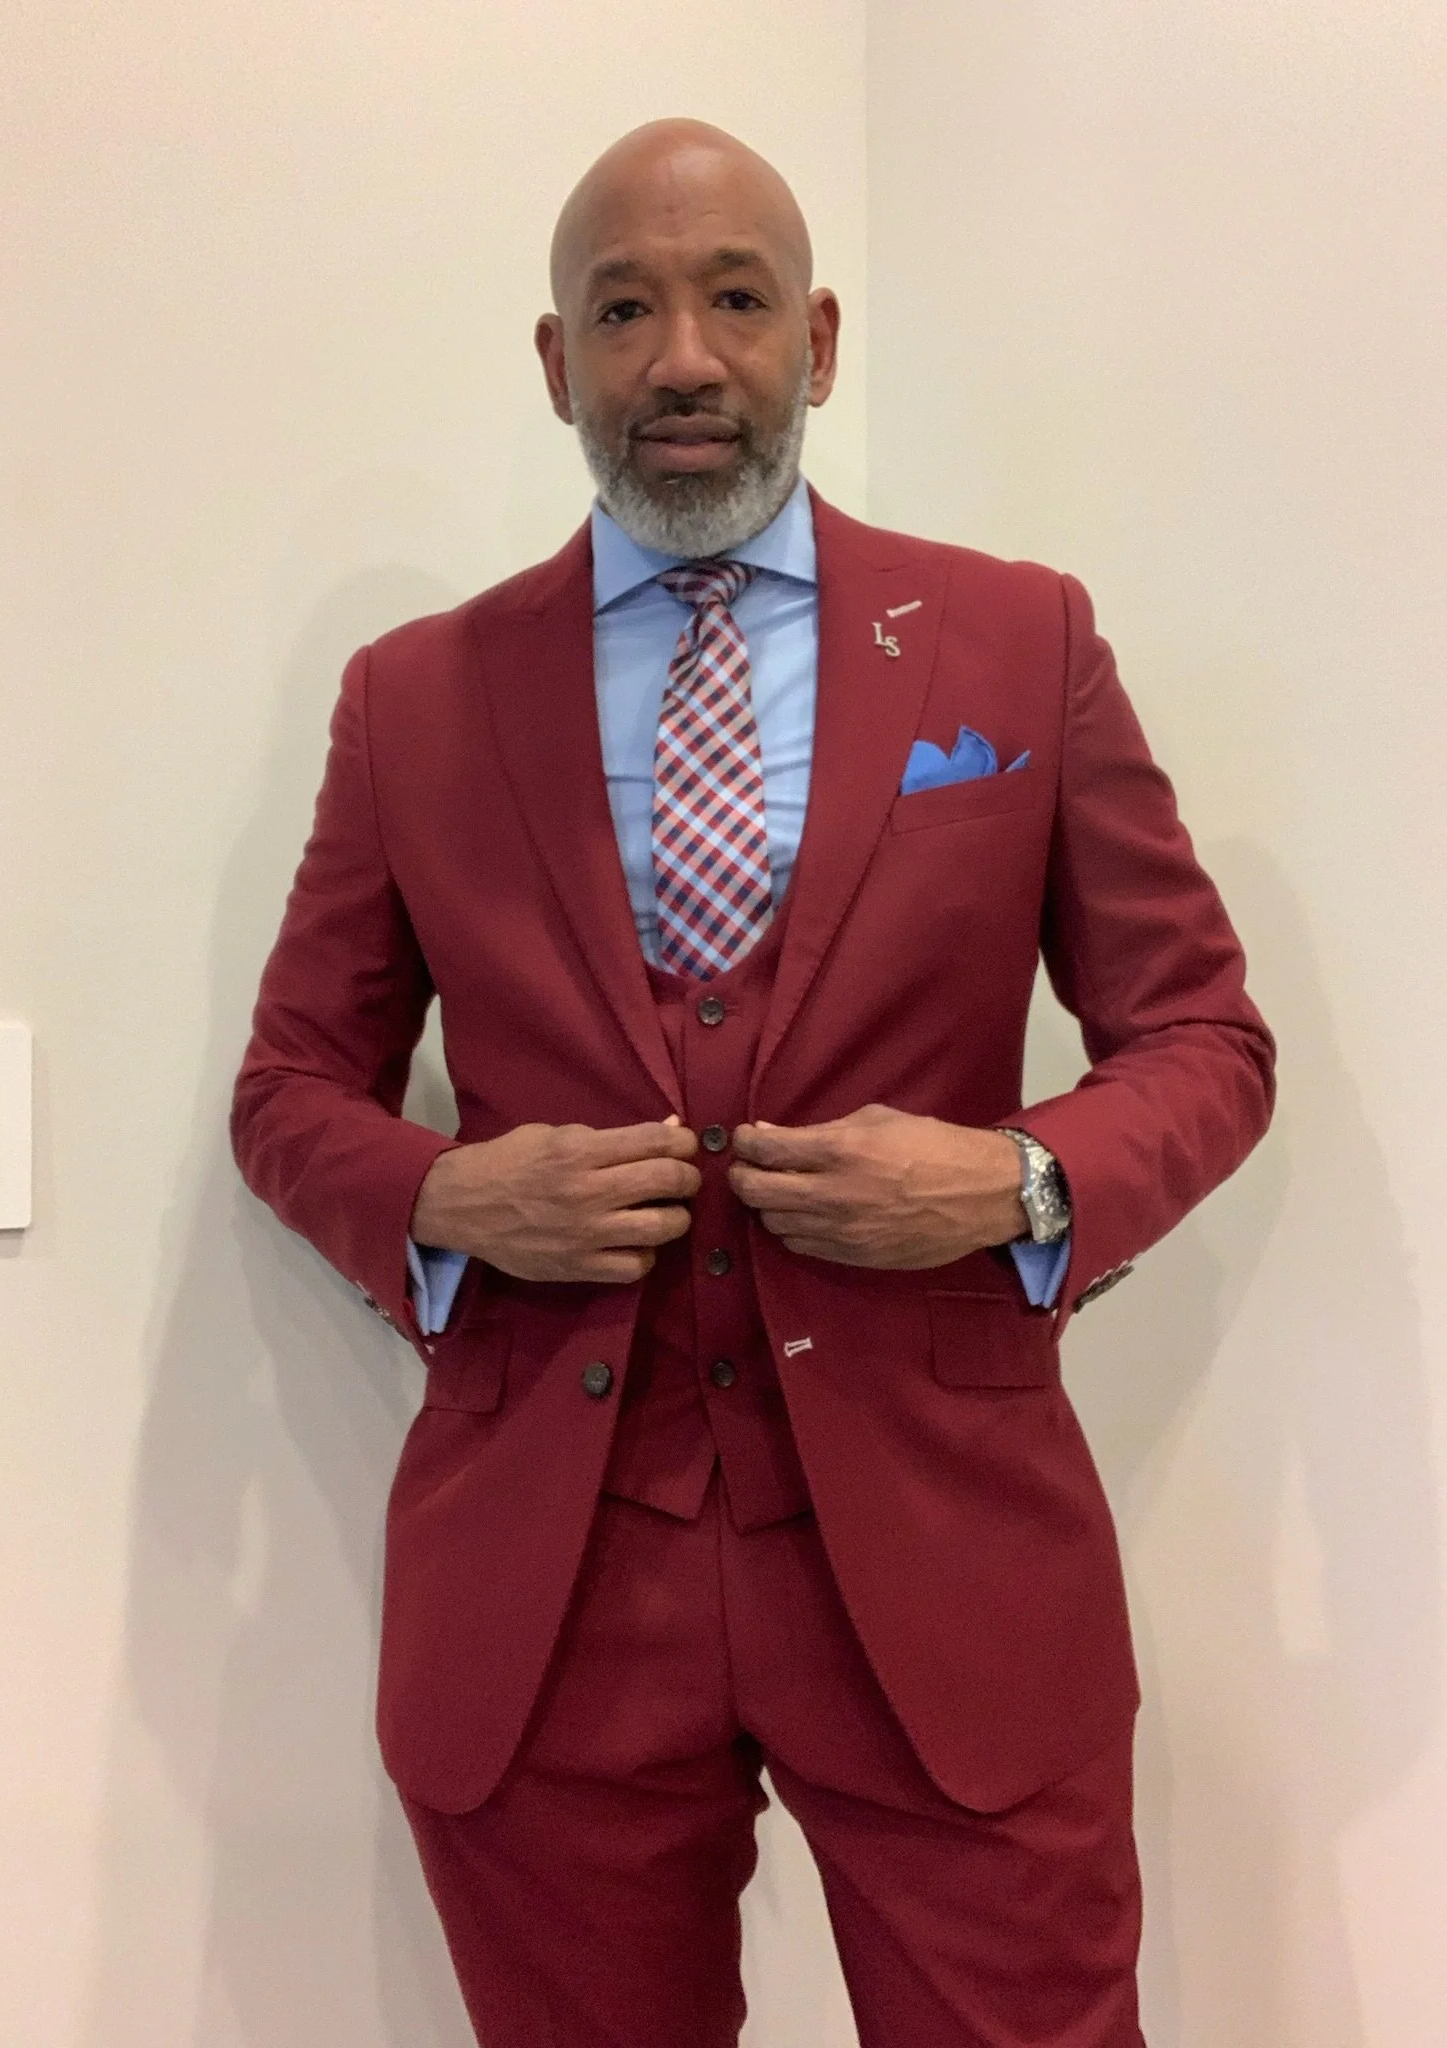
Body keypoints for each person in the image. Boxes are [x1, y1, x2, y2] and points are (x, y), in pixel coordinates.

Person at [232, 118, 1275, 2048]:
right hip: (551, 1587)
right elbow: (291, 1087)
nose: (685, 358)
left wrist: (1016, 1180)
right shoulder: (415, 697)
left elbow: (1206, 1039)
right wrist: (446, 1196)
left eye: (735, 299)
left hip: (948, 1556)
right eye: (624, 310)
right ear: (557, 361)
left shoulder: (1017, 637)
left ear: (821, 338)